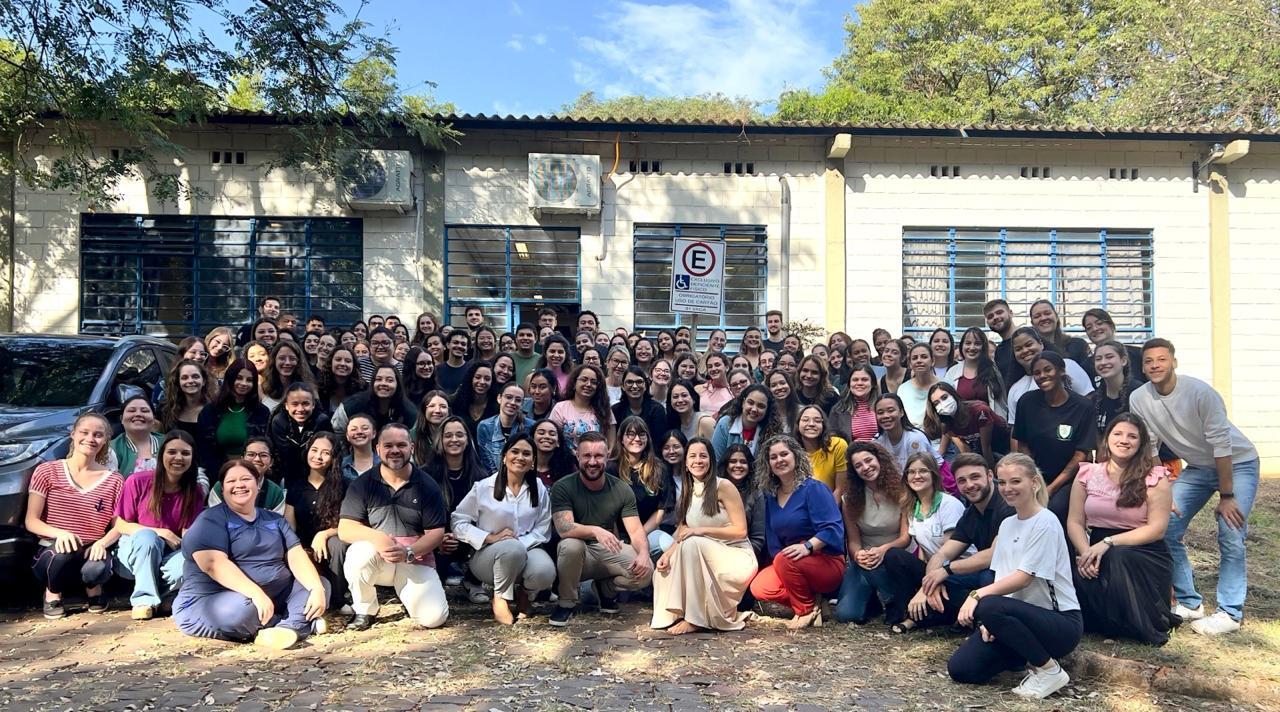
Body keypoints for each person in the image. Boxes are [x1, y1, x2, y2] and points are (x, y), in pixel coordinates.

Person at [1129, 338, 1260, 636]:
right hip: (1199, 467)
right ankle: (1189, 602)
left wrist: (1227, 496)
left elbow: (1222, 446)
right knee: (1165, 525)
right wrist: (1163, 491)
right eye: (1149, 361)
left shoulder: (1200, 393)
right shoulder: (1139, 398)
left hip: (1238, 463)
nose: (1155, 365)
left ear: (1174, 362)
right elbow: (1151, 447)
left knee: (1230, 531)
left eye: (1161, 359)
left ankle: (1230, 612)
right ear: (1143, 367)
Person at [948, 454, 1082, 701]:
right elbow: (1002, 578)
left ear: (1034, 483)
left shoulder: (1046, 521)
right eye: (1002, 482)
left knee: (988, 603)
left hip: (1059, 622)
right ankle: (1025, 657)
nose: (1007, 488)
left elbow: (1023, 579)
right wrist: (992, 622)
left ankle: (1049, 671)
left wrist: (976, 596)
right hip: (1018, 620)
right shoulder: (1007, 524)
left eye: (1015, 481)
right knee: (962, 669)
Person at [174, 460, 328, 649]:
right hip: (219, 598)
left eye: (246, 479)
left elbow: (296, 554)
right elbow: (213, 564)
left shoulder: (274, 519)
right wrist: (256, 594)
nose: (239, 485)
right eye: (231, 481)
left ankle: (285, 628)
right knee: (241, 610)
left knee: (319, 585)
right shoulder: (210, 520)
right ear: (222, 489)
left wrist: (316, 588)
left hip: (274, 597)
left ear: (258, 485)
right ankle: (298, 623)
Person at [1066, 414, 1178, 644]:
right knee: (1074, 568)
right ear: (1107, 439)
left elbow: (1157, 529)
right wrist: (1085, 553)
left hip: (1143, 550)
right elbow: (1075, 521)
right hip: (1096, 547)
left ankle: (1133, 625)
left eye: (1132, 436)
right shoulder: (1087, 474)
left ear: (1141, 443)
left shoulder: (1155, 478)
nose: (1124, 440)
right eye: (1117, 434)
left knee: (1117, 556)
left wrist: (1108, 543)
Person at [339, 423, 450, 630]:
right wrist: (377, 538)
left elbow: (436, 533)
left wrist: (408, 552)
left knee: (434, 619)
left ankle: (408, 596)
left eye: (401, 445)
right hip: (378, 560)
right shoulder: (363, 484)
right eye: (388, 445)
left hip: (414, 560)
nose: (395, 450)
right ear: (378, 449)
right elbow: (345, 528)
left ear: (412, 448)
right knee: (359, 553)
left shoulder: (427, 485)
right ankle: (365, 609)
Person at [651, 437, 756, 634]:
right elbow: (684, 531)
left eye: (703, 456)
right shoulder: (687, 490)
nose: (698, 461)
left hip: (734, 553)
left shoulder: (723, 486)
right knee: (666, 565)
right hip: (700, 550)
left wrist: (701, 531)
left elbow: (740, 531)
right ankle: (671, 615)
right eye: (692, 456)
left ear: (711, 460)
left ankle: (696, 618)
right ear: (686, 463)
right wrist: (668, 553)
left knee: (692, 544)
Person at [549, 431, 654, 626]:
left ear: (608, 456)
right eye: (587, 456)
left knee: (645, 572)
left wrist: (644, 554)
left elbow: (636, 530)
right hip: (575, 555)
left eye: (598, 456)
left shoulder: (621, 489)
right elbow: (564, 528)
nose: (592, 462)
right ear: (577, 456)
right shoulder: (563, 486)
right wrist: (595, 530)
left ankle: (606, 590)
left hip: (606, 551)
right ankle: (566, 602)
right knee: (571, 545)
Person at [26, 413, 123, 619]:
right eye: (84, 432)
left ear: (105, 440)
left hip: (91, 547)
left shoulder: (114, 480)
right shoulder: (47, 471)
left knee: (95, 570)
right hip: (53, 548)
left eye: (98, 435)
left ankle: (94, 588)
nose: (90, 439)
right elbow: (31, 521)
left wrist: (102, 543)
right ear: (73, 434)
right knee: (61, 555)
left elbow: (120, 525)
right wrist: (60, 533)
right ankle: (53, 593)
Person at [451, 433, 555, 624]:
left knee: (545, 571)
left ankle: (525, 595)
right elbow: (458, 521)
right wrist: (489, 538)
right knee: (511, 549)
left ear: (533, 461)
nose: (520, 457)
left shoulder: (538, 487)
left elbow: (543, 527)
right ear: (504, 457)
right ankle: (501, 597)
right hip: (488, 557)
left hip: (526, 548)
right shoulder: (484, 487)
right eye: (515, 452)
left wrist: (519, 543)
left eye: (526, 454)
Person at [904, 453, 1014, 630]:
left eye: (975, 477)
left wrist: (946, 570)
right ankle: (964, 617)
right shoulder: (971, 514)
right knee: (943, 582)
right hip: (986, 574)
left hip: (1015, 576)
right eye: (962, 481)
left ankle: (989, 623)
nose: (969, 485)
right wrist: (931, 583)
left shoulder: (1006, 505)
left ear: (990, 475)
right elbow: (942, 554)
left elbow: (994, 555)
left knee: (987, 575)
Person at [749, 435, 845, 630]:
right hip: (789, 561)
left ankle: (805, 610)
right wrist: (782, 564)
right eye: (773, 457)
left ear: (796, 456)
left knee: (785, 559)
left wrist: (807, 547)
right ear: (768, 465)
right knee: (760, 587)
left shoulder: (814, 488)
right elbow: (774, 541)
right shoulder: (770, 497)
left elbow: (833, 529)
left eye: (784, 454)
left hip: (825, 559)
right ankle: (816, 602)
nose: (779, 460)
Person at [114, 431, 204, 620]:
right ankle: (144, 601)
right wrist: (162, 532)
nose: (178, 458)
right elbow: (120, 524)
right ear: (161, 454)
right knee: (148, 537)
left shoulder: (194, 491)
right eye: (172, 452)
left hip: (168, 556)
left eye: (185, 453)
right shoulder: (138, 481)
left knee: (193, 560)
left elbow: (188, 533)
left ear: (193, 458)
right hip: (135, 551)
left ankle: (161, 596)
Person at [877, 453, 967, 632]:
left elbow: (950, 553)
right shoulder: (912, 507)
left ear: (933, 474)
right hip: (933, 570)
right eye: (911, 472)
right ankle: (911, 611)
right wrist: (922, 581)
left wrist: (924, 589)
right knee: (895, 556)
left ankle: (917, 617)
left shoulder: (949, 504)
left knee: (945, 593)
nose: (917, 476)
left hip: (956, 572)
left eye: (923, 471)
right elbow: (923, 551)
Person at [1012, 352, 1096, 522]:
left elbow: (1081, 455)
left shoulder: (1083, 406)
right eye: (1037, 373)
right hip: (1035, 475)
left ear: (1061, 371)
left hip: (1068, 479)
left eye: (1048, 370)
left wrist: (1050, 489)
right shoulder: (1026, 402)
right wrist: (1035, 479)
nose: (1042, 376)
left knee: (1054, 508)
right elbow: (1023, 445)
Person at [834, 442, 910, 625]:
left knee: (884, 561)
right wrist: (858, 555)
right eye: (858, 465)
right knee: (846, 615)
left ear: (879, 460)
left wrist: (883, 550)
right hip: (866, 560)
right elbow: (853, 541)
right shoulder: (849, 499)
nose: (866, 467)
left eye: (868, 460)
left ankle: (893, 602)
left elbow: (906, 538)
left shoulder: (902, 491)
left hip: (894, 557)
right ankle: (875, 600)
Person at [285, 431, 351, 613]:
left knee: (337, 544)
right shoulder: (296, 486)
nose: (318, 456)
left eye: (325, 453)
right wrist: (296, 548)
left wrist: (325, 534)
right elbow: (289, 526)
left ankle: (339, 598)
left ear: (334, 458)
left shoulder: (345, 485)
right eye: (314, 450)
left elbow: (352, 522)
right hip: (305, 548)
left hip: (333, 546)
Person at [610, 416, 675, 559]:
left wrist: (639, 536)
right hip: (617, 536)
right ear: (621, 439)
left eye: (642, 434)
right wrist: (618, 541)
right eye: (631, 434)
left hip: (648, 532)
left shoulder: (659, 468)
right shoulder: (611, 469)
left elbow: (660, 510)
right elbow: (608, 511)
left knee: (670, 545)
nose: (637, 439)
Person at [196, 359, 271, 477]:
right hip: (216, 474)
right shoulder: (210, 411)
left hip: (252, 473)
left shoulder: (262, 412)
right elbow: (204, 450)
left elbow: (265, 448)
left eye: (249, 380)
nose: (244, 383)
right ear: (230, 378)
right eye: (239, 378)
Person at [1005, 328, 1093, 426]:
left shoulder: (1068, 366)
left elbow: (1088, 400)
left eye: (1029, 345)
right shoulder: (1015, 389)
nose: (1025, 350)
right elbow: (1015, 428)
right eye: (1018, 349)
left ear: (1041, 344)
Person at [923, 382, 1009, 469]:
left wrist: (990, 473)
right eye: (936, 403)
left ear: (953, 395)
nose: (942, 404)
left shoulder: (979, 411)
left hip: (1001, 445)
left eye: (944, 397)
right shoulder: (946, 422)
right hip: (977, 448)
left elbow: (986, 449)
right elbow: (964, 450)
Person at [267, 382, 332, 484]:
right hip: (287, 472)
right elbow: (284, 455)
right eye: (295, 404)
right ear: (286, 406)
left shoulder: (322, 421)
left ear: (313, 405)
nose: (300, 409)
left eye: (306, 404)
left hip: (317, 472)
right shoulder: (279, 422)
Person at [331, 365, 417, 433]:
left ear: (398, 385)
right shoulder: (354, 404)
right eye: (379, 379)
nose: (383, 383)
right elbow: (337, 430)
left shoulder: (408, 411)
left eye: (389, 380)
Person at [943, 327, 1008, 418]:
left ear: (983, 347)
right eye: (968, 343)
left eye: (977, 344)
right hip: (960, 425)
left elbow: (1001, 405)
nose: (972, 347)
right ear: (962, 346)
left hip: (989, 425)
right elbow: (945, 404)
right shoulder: (952, 372)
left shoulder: (993, 370)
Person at [549, 364, 614, 451]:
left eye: (594, 382)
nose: (588, 384)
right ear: (574, 383)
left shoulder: (604, 409)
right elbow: (553, 438)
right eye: (584, 380)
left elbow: (611, 444)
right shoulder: (560, 408)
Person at [711, 385, 782, 462]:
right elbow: (716, 461)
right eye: (750, 403)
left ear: (767, 410)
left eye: (761, 406)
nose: (754, 409)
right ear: (743, 402)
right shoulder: (725, 424)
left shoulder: (771, 430)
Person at [477, 382, 535, 475]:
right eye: (508, 397)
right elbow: (487, 464)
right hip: (494, 480)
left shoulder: (531, 426)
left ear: (522, 403)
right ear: (499, 398)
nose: (512, 402)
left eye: (518, 400)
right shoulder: (485, 427)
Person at [872, 394, 942, 471]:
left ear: (901, 412)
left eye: (890, 410)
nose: (885, 416)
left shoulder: (915, 438)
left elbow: (919, 472)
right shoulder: (878, 440)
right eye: (880, 412)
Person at [1091, 340, 1143, 438]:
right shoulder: (1095, 399)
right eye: (1098, 359)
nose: (1103, 362)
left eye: (1109, 357)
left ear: (1123, 361)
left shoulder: (1139, 393)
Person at [159, 359, 217, 444]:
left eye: (195, 377)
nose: (190, 381)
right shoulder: (167, 410)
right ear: (178, 382)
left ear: (204, 381)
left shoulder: (215, 409)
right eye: (184, 378)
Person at [1081, 308, 1145, 382]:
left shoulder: (1138, 354)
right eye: (1089, 327)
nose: (1094, 329)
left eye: (1099, 323)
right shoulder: (1085, 367)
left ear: (1111, 326)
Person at [794, 405, 847, 494]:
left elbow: (840, 489)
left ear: (823, 425)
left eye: (817, 421)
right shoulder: (791, 452)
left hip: (830, 500)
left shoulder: (837, 445)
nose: (811, 424)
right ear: (798, 424)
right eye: (805, 420)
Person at [109, 395, 164, 478]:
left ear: (153, 419)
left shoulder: (169, 442)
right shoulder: (110, 448)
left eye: (144, 411)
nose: (138, 414)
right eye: (131, 410)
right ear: (121, 419)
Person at [830, 364, 880, 447]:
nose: (859, 383)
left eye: (864, 379)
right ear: (849, 384)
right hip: (851, 453)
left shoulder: (882, 405)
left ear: (873, 383)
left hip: (880, 452)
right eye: (855, 380)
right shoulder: (838, 410)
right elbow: (833, 440)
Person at [612, 366, 666, 441]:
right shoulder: (615, 410)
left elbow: (659, 441)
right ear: (623, 386)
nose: (634, 386)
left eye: (639, 382)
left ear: (645, 386)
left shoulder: (657, 410)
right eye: (629, 382)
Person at [1029, 299, 1089, 366]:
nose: (1043, 318)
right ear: (1032, 323)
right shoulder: (1031, 351)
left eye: (1047, 313)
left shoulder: (1078, 345)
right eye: (1037, 316)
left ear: (1056, 317)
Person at [262, 340, 316, 413]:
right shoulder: (263, 388)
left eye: (292, 359)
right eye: (282, 358)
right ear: (274, 361)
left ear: (298, 362)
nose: (287, 362)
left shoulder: (309, 389)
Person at [449, 360, 498, 438]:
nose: (482, 382)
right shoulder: (455, 401)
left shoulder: (497, 406)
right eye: (477, 377)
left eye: (487, 379)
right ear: (471, 378)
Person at [896, 343, 939, 429]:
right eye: (915, 358)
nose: (919, 361)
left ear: (933, 361)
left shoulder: (946, 385)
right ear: (910, 364)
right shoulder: (903, 389)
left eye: (924, 357)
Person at [983, 299, 1023, 391]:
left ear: (1010, 313)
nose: (995, 317)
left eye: (999, 312)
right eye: (990, 316)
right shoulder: (999, 352)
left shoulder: (1030, 337)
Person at [318, 346, 365, 415]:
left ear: (354, 365)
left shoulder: (363, 389)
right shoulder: (320, 388)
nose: (342, 364)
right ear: (331, 363)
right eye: (338, 359)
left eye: (348, 361)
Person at [532, 419, 577, 488]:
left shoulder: (568, 468)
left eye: (552, 434)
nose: (547, 436)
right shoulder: (523, 465)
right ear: (532, 439)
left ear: (558, 442)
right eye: (541, 433)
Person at [341, 413, 380, 481]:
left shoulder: (384, 463)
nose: (359, 432)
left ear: (374, 433)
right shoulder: (341, 466)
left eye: (365, 428)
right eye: (354, 429)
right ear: (347, 436)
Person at [436, 330, 472, 394]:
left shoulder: (471, 370)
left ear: (467, 348)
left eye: (463, 344)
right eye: (455, 342)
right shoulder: (436, 370)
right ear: (448, 345)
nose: (459, 346)